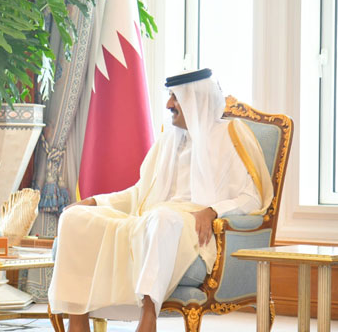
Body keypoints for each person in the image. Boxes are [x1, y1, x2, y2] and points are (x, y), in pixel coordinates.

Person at [48, 69, 273, 332]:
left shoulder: (232, 133)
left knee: (163, 217)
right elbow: (139, 193)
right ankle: (78, 321)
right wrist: (95, 202)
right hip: (151, 220)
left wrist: (212, 211)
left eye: (176, 98)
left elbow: (252, 197)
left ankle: (148, 315)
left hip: (191, 227)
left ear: (196, 99)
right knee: (75, 217)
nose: (169, 105)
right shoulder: (168, 139)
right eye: (169, 97)